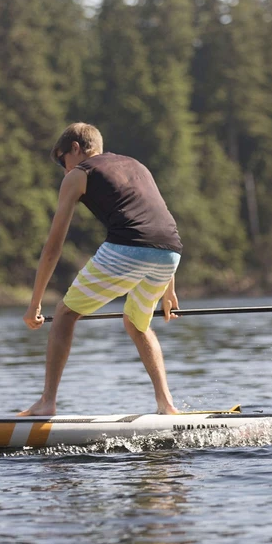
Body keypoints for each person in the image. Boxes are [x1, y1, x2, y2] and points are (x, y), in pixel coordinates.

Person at [20, 122, 183, 416]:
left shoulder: (80, 174)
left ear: (76, 148)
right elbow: (160, 221)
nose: (63, 170)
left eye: (62, 161)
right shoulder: (137, 166)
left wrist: (35, 305)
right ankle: (166, 404)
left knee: (65, 315)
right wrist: (169, 289)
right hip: (170, 253)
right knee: (137, 322)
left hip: (128, 249)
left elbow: (53, 247)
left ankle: (47, 403)